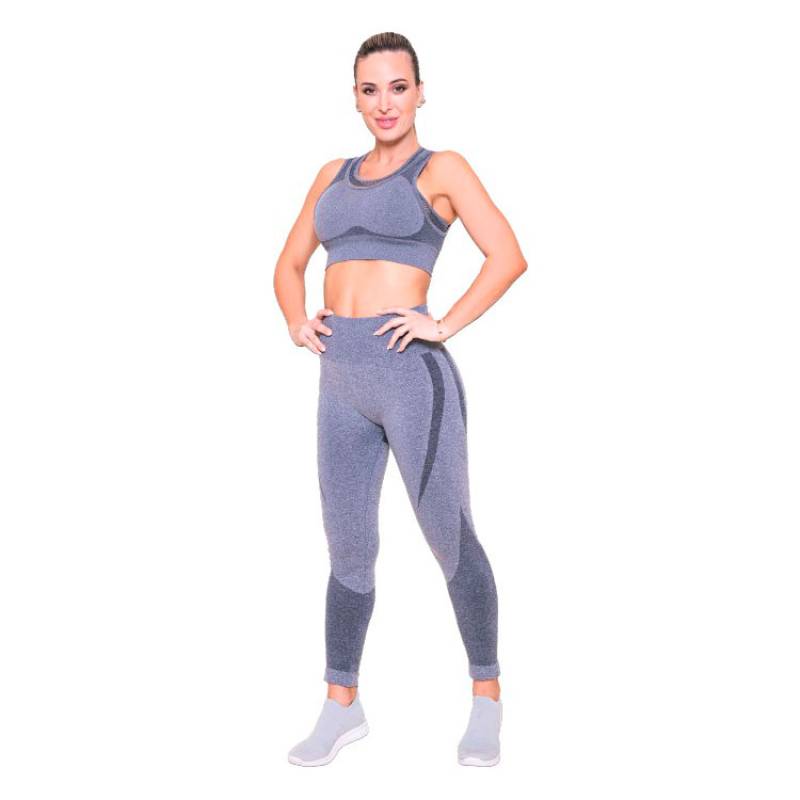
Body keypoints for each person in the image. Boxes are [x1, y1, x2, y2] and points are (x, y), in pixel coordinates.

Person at [274, 31, 527, 767]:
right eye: (370, 89)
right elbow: (288, 264)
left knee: (449, 535)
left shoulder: (441, 168)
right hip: (340, 382)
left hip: (411, 376)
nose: (384, 103)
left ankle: (487, 699)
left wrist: (442, 323)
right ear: (355, 98)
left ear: (419, 92)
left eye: (397, 87)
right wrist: (296, 320)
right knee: (348, 547)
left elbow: (508, 255)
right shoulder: (331, 175)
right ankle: (341, 704)